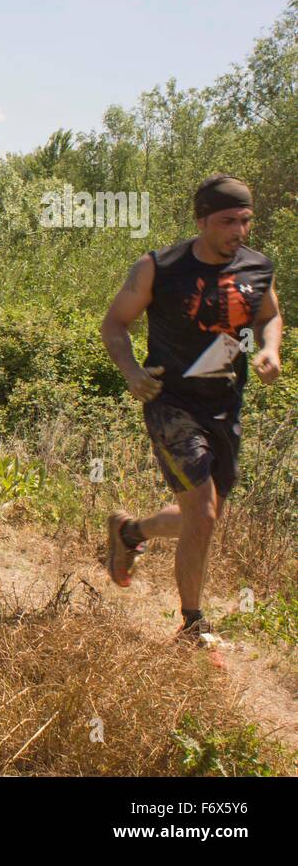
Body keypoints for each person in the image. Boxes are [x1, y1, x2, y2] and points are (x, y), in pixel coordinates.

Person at [99, 174, 283, 646]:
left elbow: (270, 316)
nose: (239, 231)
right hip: (170, 403)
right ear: (201, 220)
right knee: (201, 513)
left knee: (202, 516)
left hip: (224, 407)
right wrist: (131, 370)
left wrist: (270, 349)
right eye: (227, 221)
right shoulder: (160, 268)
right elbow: (115, 324)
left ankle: (129, 532)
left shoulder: (258, 268)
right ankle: (193, 624)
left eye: (245, 220)